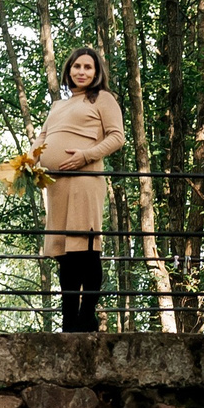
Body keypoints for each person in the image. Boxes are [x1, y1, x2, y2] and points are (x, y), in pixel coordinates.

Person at [33, 49, 126, 333]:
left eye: (88, 67)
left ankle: (87, 316)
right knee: (64, 254)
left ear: (97, 72)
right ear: (68, 70)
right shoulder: (58, 105)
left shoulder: (103, 99)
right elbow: (43, 137)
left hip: (85, 179)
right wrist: (29, 162)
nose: (82, 71)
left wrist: (86, 155)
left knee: (86, 249)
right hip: (56, 185)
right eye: (77, 66)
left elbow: (117, 137)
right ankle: (69, 321)